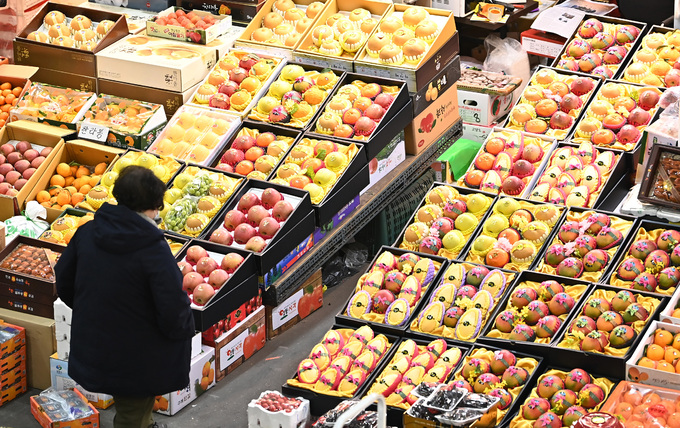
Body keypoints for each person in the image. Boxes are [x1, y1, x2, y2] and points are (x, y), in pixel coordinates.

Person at [55, 165, 195, 428]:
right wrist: (183, 331)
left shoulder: (87, 232)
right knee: (132, 415)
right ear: (153, 205)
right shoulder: (153, 250)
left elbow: (63, 279)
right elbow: (172, 307)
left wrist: (91, 310)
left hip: (96, 341)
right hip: (138, 353)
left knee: (133, 409)